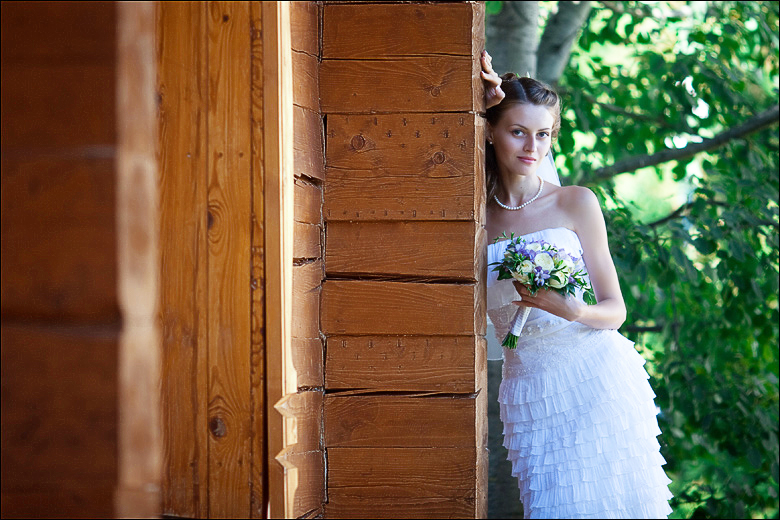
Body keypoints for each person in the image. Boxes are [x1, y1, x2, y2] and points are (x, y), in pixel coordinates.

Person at [479, 50, 673, 519]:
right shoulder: (474, 217)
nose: (532, 146)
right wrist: (477, 99)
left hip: (598, 376)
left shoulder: (576, 203)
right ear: (489, 131)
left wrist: (575, 310)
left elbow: (615, 309)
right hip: (530, 389)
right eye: (517, 131)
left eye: (543, 134)